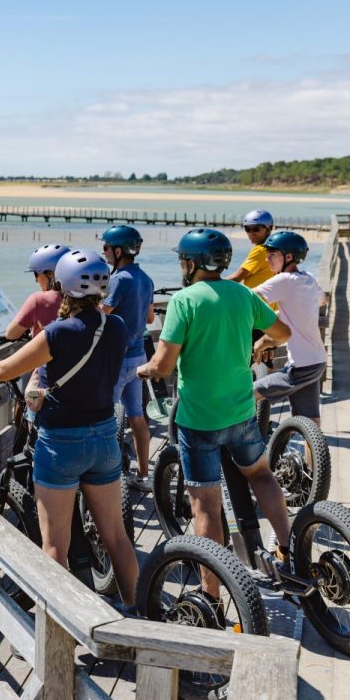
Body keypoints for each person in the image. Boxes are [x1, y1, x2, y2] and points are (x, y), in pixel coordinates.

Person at [0, 249, 139, 610]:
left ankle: (58, 631)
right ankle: (139, 616)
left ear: (62, 286)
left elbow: (6, 369)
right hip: (105, 435)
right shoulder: (118, 326)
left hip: (62, 443)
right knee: (117, 537)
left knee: (54, 548)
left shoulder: (58, 333)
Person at [135, 229, 293, 607]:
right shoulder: (243, 295)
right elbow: (284, 333)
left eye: (182, 260)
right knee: (261, 475)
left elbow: (164, 363)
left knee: (205, 505)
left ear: (190, 263)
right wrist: (258, 346)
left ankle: (211, 594)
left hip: (199, 419)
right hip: (241, 411)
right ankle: (290, 551)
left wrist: (144, 371)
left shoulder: (184, 302)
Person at [251, 231, 328, 427]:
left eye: (272, 254)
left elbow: (247, 298)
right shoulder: (308, 278)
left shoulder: (285, 279)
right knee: (310, 420)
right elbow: (322, 300)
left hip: (300, 367)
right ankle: (316, 458)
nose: (267, 259)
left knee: (246, 395)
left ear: (289, 257)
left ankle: (246, 440)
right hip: (317, 361)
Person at [99, 225, 154, 489]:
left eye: (107, 247)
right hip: (139, 356)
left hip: (116, 359)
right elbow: (151, 318)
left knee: (105, 416)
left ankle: (106, 477)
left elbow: (102, 312)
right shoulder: (145, 278)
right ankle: (143, 475)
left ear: (119, 250)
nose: (104, 252)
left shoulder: (119, 279)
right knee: (137, 415)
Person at [5, 243, 69, 340]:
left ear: (51, 274)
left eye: (36, 274)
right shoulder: (85, 298)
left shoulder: (39, 299)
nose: (36, 280)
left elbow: (11, 334)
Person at [226, 209, 276, 288]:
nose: (251, 233)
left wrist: (211, 285)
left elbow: (236, 278)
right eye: (247, 229)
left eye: (256, 229)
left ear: (269, 228)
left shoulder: (260, 250)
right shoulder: (275, 248)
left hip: (256, 299)